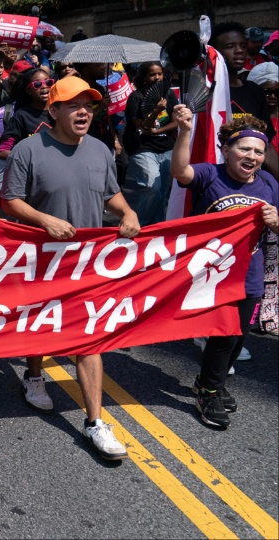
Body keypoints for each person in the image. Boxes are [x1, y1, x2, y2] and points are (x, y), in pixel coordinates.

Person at [1, 77, 140, 461]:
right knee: (40, 326)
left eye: (89, 106)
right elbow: (10, 200)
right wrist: (44, 219)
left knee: (88, 338)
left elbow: (110, 194)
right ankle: (33, 375)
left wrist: (127, 212)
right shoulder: (28, 150)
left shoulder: (99, 150)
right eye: (74, 105)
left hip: (87, 264)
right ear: (54, 110)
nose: (83, 112)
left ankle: (95, 422)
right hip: (40, 261)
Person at [170, 109, 279, 427]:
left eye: (258, 152)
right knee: (224, 336)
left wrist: (275, 222)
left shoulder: (269, 184)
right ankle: (208, 391)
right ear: (226, 150)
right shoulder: (210, 175)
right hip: (213, 274)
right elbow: (180, 172)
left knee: (239, 338)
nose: (253, 156)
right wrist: (185, 131)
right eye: (245, 149)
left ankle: (208, 383)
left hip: (250, 274)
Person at [211, 22, 278, 177]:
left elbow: (266, 145)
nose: (239, 51)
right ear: (214, 52)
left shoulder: (254, 92)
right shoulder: (205, 93)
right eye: (230, 46)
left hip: (250, 180)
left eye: (242, 45)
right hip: (214, 177)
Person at [123, 61, 179, 226]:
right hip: (142, 147)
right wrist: (156, 110)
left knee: (162, 192)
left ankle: (158, 226)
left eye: (160, 74)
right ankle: (138, 223)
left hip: (166, 146)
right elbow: (142, 126)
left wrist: (157, 131)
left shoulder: (168, 94)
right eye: (152, 74)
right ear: (144, 77)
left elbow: (176, 122)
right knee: (151, 186)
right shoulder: (136, 97)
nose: (157, 77)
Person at [248, 62, 279, 336]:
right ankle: (259, 313)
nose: (271, 96)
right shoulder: (250, 123)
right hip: (259, 191)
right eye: (265, 91)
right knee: (261, 253)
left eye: (276, 92)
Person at [0, 68, 54, 161]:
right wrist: (30, 160)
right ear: (28, 90)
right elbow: (3, 151)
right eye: (37, 84)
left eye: (48, 82)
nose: (44, 86)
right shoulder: (21, 116)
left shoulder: (60, 111)